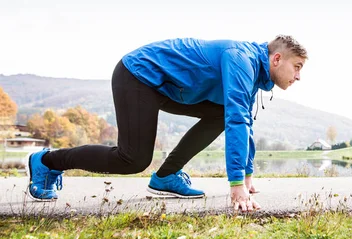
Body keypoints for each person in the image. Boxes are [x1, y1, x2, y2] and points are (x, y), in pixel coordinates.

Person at [26, 35, 307, 212]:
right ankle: (47, 162)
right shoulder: (241, 59)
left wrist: (246, 176)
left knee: (220, 113)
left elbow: (242, 122)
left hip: (167, 87)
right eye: (297, 67)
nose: (297, 77)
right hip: (138, 74)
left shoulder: (253, 72)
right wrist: (236, 186)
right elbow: (236, 118)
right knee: (132, 159)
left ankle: (165, 177)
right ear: (277, 58)